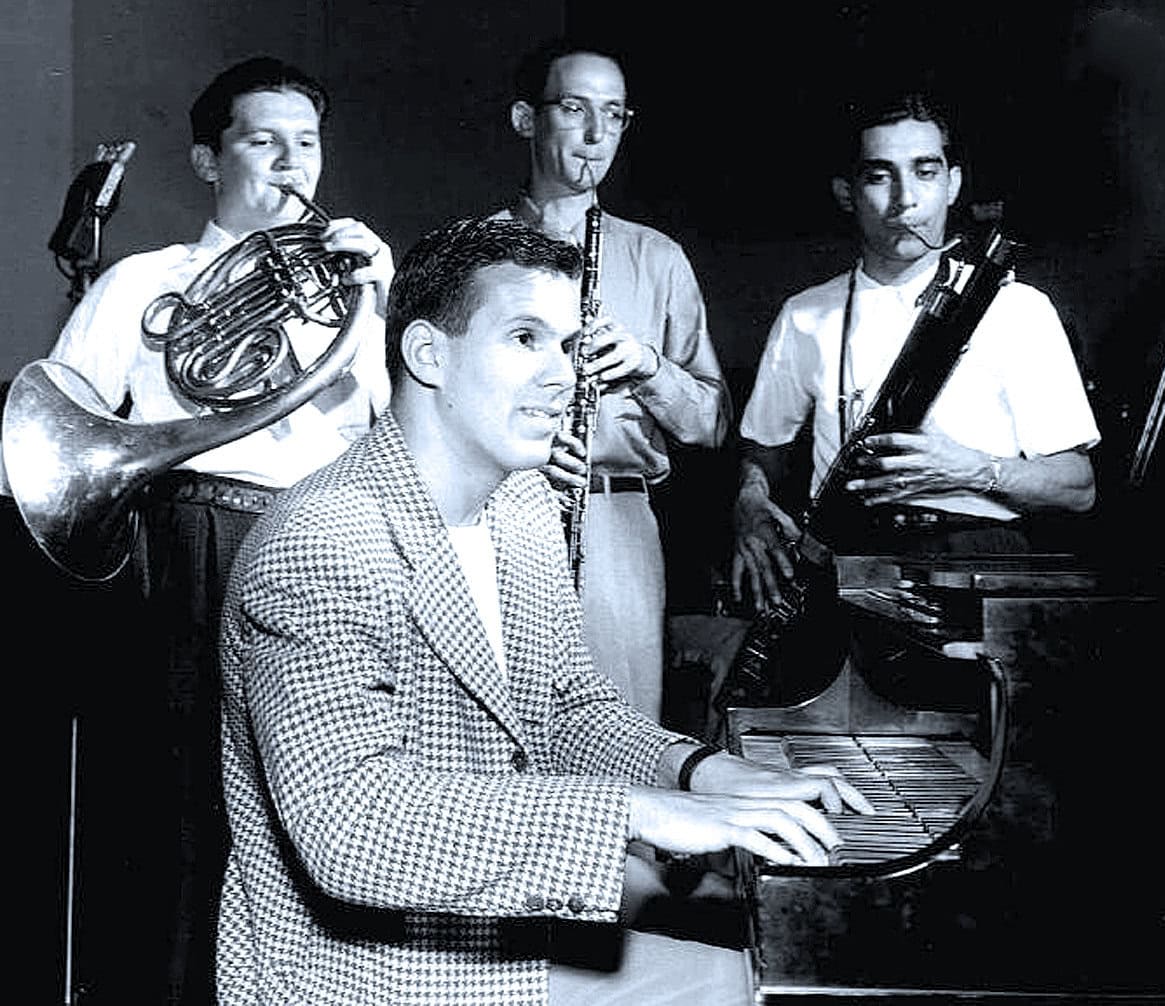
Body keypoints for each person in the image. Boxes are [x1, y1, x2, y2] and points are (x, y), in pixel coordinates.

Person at [217, 216, 872, 1006]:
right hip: (370, 971)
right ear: (428, 354)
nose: (565, 376)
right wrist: (640, 814)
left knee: (770, 925)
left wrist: (705, 772)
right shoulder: (321, 539)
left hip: (487, 916)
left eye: (567, 345)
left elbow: (569, 708)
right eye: (525, 338)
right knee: (755, 985)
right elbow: (352, 825)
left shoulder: (522, 501)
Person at [44, 56, 394, 1006]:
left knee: (308, 799)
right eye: (262, 141)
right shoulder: (144, 282)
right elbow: (61, 429)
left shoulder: (353, 291)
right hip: (192, 539)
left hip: (317, 544)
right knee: (185, 802)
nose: (291, 163)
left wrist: (378, 301)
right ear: (208, 160)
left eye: (307, 143)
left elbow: (391, 440)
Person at [732, 91, 1101, 618]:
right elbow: (762, 453)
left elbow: (1078, 487)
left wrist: (973, 470)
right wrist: (749, 504)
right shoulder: (804, 314)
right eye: (879, 177)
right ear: (846, 193)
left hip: (977, 566)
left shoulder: (1018, 308)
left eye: (925, 173)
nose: (905, 200)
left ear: (953, 184)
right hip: (842, 563)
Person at [498, 38, 731, 722]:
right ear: (526, 120)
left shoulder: (657, 258)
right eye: (575, 109)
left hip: (616, 524)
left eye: (615, 114)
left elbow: (712, 424)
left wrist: (649, 367)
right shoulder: (469, 252)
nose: (598, 134)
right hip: (498, 518)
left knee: (619, 733)